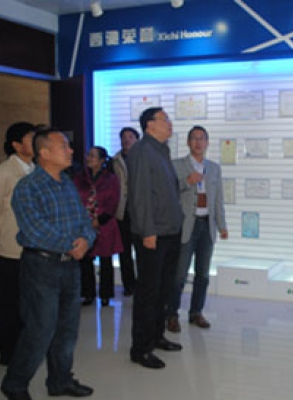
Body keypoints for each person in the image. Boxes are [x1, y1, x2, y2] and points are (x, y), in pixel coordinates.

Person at [0, 128, 96, 400]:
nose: (71, 150)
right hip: (42, 267)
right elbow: (34, 230)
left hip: (70, 267)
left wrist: (86, 240)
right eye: (64, 146)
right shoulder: (28, 187)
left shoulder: (66, 182)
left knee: (67, 329)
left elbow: (84, 220)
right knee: (40, 330)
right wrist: (72, 245)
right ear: (43, 153)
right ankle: (15, 384)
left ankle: (60, 380)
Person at [128, 107, 184, 370]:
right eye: (164, 119)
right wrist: (147, 230)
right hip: (153, 234)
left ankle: (157, 336)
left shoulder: (162, 150)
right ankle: (141, 348)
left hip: (171, 231)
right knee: (148, 292)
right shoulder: (141, 151)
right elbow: (139, 195)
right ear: (149, 125)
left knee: (164, 288)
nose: (169, 123)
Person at [166, 125, 228, 333]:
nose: (198, 142)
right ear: (188, 142)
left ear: (207, 143)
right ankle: (171, 314)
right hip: (186, 226)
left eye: (202, 139)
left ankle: (196, 312)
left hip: (206, 225)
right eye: (194, 138)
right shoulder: (176, 165)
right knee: (179, 275)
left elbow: (218, 199)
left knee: (202, 274)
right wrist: (186, 182)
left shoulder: (214, 168)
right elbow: (167, 192)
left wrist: (222, 225)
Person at [0, 122, 36, 365]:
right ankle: (8, 352)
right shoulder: (3, 173)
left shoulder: (36, 169)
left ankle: (24, 348)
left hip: (32, 248)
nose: (35, 142)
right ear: (17, 145)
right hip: (9, 249)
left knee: (29, 304)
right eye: (30, 138)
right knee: (11, 304)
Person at [74, 146, 123, 307]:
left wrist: (98, 220)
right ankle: (88, 293)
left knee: (106, 261)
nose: (89, 158)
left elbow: (113, 202)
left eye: (93, 156)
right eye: (88, 155)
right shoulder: (79, 178)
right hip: (84, 224)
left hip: (105, 224)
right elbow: (75, 199)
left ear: (102, 160)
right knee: (86, 260)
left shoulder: (111, 179)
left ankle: (106, 294)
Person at [112, 127, 140, 296]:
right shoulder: (114, 161)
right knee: (124, 252)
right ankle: (128, 285)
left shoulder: (143, 159)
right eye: (123, 137)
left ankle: (143, 284)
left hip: (139, 212)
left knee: (142, 252)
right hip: (122, 212)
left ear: (137, 140)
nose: (126, 140)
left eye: (130, 136)